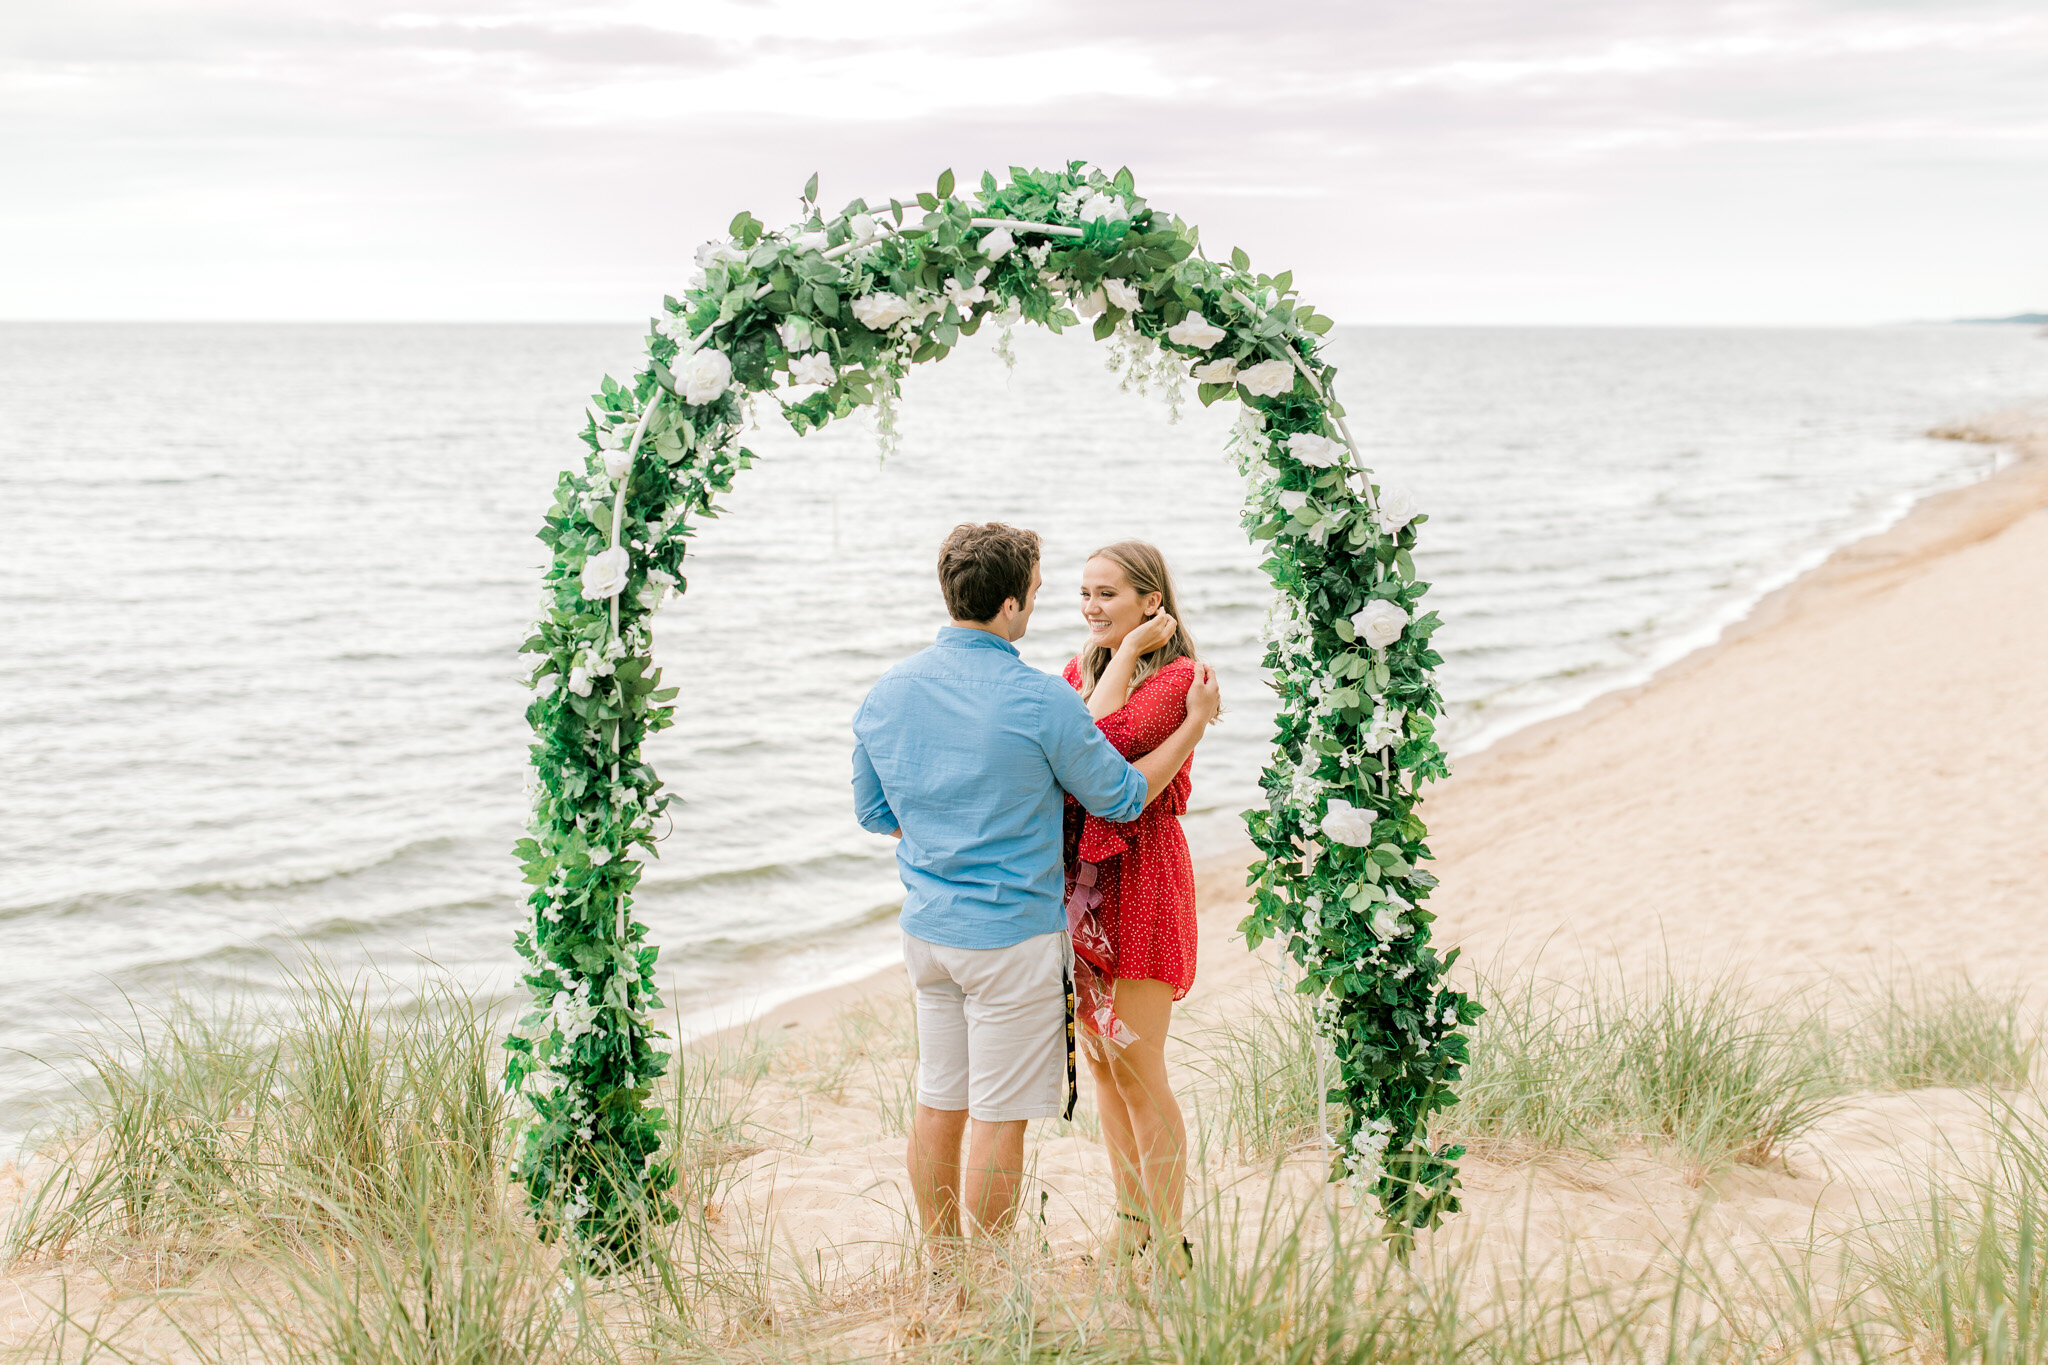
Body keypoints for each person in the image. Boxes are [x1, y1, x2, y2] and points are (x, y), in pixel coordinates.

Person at [851, 523, 1221, 1251]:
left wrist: (950, 838)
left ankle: (948, 1264)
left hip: (930, 928)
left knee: (939, 1099)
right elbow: (1112, 787)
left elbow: (875, 813)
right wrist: (1193, 733)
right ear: (1015, 604)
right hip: (1014, 932)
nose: (1081, 604)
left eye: (1100, 592)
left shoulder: (888, 690)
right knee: (996, 1112)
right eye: (1066, 591)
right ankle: (989, 1275)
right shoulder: (1040, 692)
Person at [1061, 541, 1202, 1263]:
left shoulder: (1179, 680)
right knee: (1104, 1065)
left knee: (1140, 1067)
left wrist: (1125, 661)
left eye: (1108, 593)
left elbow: (1088, 743)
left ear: (1152, 601)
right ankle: (1132, 1224)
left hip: (1142, 877)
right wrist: (1111, 659)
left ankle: (1169, 1235)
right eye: (1085, 591)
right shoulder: (1079, 669)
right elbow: (1062, 749)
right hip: (1084, 888)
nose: (1091, 606)